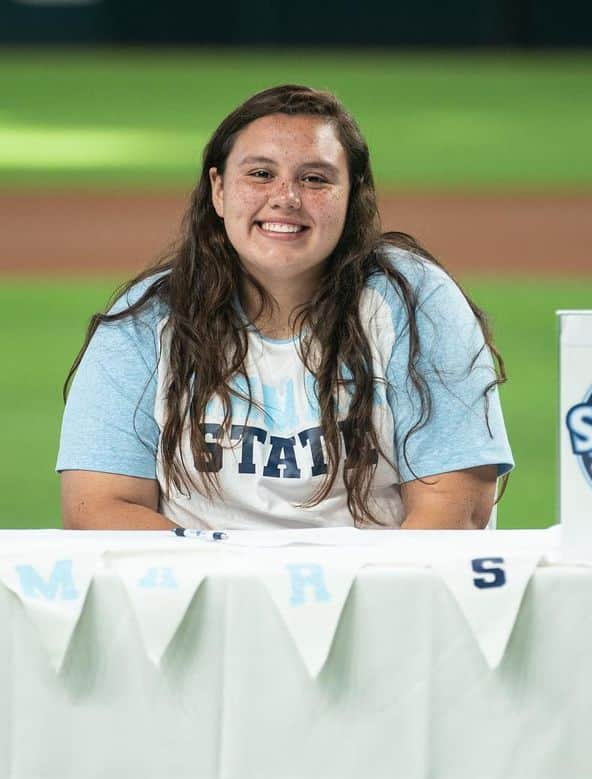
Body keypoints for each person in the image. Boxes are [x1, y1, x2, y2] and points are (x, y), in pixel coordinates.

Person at [58, 84, 513, 531]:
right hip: (204, 594)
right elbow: (98, 505)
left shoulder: (415, 302)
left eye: (315, 178)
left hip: (378, 595)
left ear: (352, 195)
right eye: (260, 174)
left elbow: (457, 508)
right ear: (218, 189)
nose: (286, 197)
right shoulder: (146, 318)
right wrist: (238, 592)